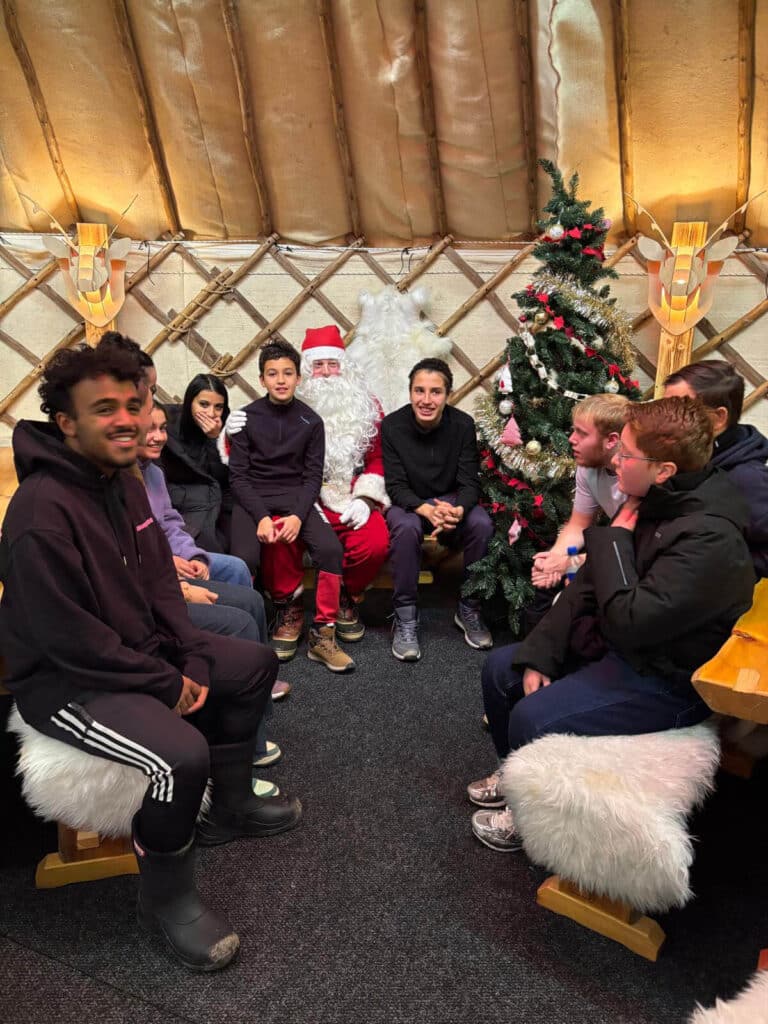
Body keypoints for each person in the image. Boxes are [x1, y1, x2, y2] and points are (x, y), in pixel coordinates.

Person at [0, 343, 302, 969]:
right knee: (178, 757)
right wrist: (164, 681)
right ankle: (165, 900)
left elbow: (161, 587)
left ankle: (235, 804)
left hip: (135, 653)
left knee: (253, 665)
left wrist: (189, 657)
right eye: (103, 408)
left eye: (133, 405)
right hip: (65, 685)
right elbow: (70, 642)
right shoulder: (40, 514)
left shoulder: (124, 480)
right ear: (66, 422)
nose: (126, 420)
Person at [468, 396, 755, 853]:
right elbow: (589, 583)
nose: (616, 460)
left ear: (663, 470)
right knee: (502, 672)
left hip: (670, 680)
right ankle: (517, 777)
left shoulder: (708, 537)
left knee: (531, 714)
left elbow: (630, 621)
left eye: (627, 454)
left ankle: (528, 819)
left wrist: (617, 538)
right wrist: (542, 649)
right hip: (629, 648)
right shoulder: (656, 499)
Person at [225, 326, 389, 644]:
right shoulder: (287, 401)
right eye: (318, 365)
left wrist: (366, 499)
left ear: (345, 367)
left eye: (333, 364)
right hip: (301, 495)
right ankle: (291, 605)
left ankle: (346, 598)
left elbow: (378, 459)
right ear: (305, 373)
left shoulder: (367, 407)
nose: (326, 373)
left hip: (348, 498)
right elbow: (248, 458)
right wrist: (226, 431)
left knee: (375, 542)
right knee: (280, 536)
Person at [228, 340, 353, 673]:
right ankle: (246, 631)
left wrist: (298, 515)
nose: (280, 380)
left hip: (296, 496)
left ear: (299, 378)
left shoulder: (311, 421)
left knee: (329, 549)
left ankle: (322, 633)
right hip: (253, 495)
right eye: (272, 374)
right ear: (262, 379)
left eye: (287, 373)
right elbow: (238, 477)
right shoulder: (246, 418)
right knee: (244, 558)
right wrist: (262, 517)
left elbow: (312, 477)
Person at [381, 357, 493, 661]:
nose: (426, 400)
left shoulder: (462, 425)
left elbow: (470, 482)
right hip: (409, 504)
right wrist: (423, 509)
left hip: (450, 501)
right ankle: (405, 615)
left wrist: (459, 509)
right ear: (409, 392)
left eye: (435, 392)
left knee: (481, 523)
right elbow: (394, 485)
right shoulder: (392, 426)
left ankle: (469, 608)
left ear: (449, 395)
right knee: (405, 527)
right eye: (419, 391)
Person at [527, 393, 629, 631]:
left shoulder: (636, 477)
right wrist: (555, 558)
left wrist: (569, 563)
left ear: (611, 440)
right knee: (543, 586)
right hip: (614, 547)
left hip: (636, 561)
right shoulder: (589, 467)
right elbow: (578, 524)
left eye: (582, 434)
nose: (571, 439)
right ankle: (531, 660)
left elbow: (635, 548)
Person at [664, 359, 768, 577]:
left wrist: (718, 566)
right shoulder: (685, 460)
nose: (667, 420)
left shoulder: (746, 479)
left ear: (719, 418)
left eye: (680, 409)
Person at [161, 374, 233, 554]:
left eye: (218, 407)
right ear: (189, 402)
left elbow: (223, 477)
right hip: (180, 499)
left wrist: (214, 439)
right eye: (203, 404)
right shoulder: (168, 423)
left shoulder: (227, 427)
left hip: (217, 498)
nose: (211, 413)